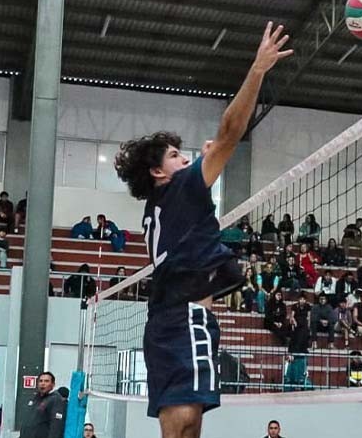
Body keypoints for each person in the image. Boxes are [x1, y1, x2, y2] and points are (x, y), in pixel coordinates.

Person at [112, 21, 291, 437]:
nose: (185, 158)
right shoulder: (181, 189)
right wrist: (258, 70)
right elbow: (230, 132)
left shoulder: (161, 206)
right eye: (176, 155)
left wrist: (204, 164)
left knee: (188, 422)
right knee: (184, 421)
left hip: (174, 317)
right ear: (158, 171)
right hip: (183, 316)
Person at [19, 372, 65, 438]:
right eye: (41, 381)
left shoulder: (55, 400)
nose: (43, 383)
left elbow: (56, 426)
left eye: (46, 381)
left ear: (53, 384)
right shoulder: (34, 399)